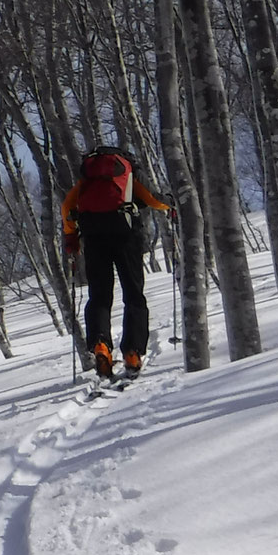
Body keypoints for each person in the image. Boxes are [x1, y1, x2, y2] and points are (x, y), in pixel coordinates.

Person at [63, 146, 173, 380]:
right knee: (134, 294)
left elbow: (67, 207)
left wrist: (71, 236)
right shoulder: (129, 173)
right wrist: (170, 204)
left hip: (93, 237)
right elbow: (152, 199)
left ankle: (101, 346)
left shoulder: (87, 180)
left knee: (99, 296)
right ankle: (132, 352)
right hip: (126, 235)